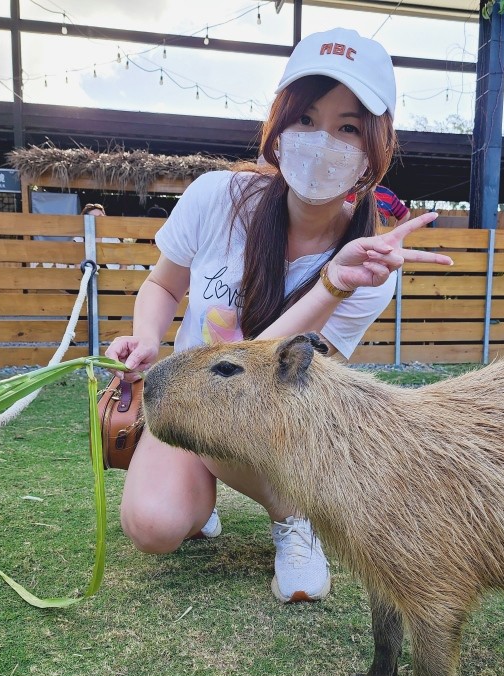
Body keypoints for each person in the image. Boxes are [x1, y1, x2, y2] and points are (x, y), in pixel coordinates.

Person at [105, 27, 452, 604]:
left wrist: (334, 284)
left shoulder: (368, 270)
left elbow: (268, 380)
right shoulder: (217, 196)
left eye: (347, 127)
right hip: (194, 399)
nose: (322, 142)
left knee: (228, 408)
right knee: (154, 526)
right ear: (278, 128)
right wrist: (146, 337)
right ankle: (197, 498)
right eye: (306, 119)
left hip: (276, 423)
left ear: (374, 148)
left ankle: (297, 518)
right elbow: (163, 285)